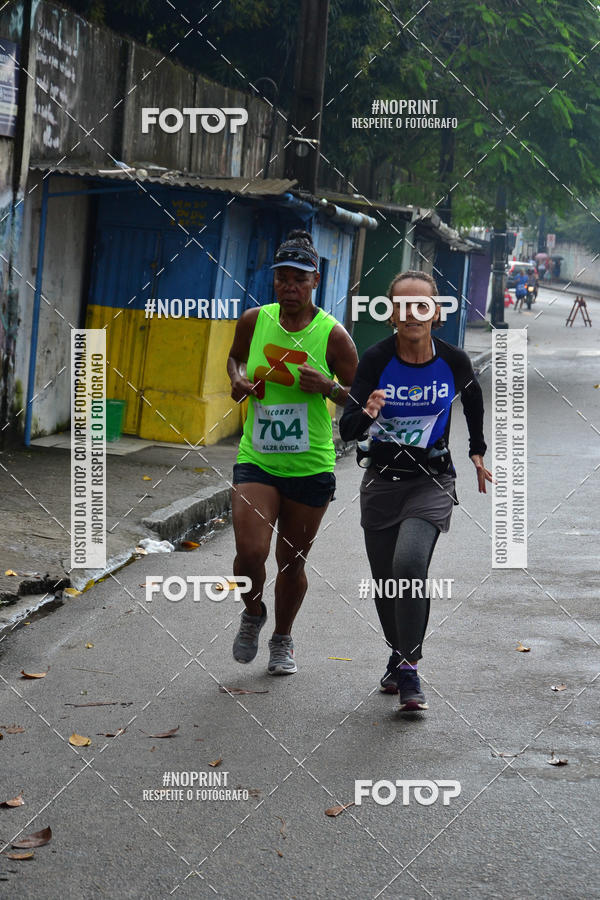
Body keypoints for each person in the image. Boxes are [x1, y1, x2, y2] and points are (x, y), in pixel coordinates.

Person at [339, 270, 491, 712]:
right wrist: (367, 412)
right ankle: (398, 653)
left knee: (409, 563)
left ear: (435, 313)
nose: (411, 313)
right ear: (391, 313)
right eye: (402, 305)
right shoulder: (375, 360)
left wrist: (477, 452)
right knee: (387, 584)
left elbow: (473, 397)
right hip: (382, 484)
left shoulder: (454, 360)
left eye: (421, 305)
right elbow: (348, 428)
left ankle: (409, 669)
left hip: (432, 480)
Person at [227, 229, 358, 675]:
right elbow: (236, 359)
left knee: (291, 561)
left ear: (315, 281)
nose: (290, 286)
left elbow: (361, 401)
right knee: (249, 552)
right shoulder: (253, 320)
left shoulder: (333, 336)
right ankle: (252, 612)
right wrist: (238, 379)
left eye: (299, 279)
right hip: (257, 458)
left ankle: (282, 638)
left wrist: (329, 387)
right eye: (283, 278)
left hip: (310, 466)